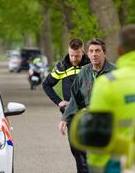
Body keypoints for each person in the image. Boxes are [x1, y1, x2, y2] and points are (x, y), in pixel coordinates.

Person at [86, 24, 135, 173]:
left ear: (119, 50)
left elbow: (97, 136)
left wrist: (96, 167)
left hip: (117, 166)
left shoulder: (107, 84)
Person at [59, 39, 117, 172]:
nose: (94, 54)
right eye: (91, 51)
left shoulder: (114, 72)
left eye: (97, 51)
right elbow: (75, 98)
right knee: (85, 161)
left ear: (104, 53)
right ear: (88, 54)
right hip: (89, 124)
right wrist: (65, 118)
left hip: (108, 125)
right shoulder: (84, 72)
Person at [42, 38, 90, 173]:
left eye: (77, 55)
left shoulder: (90, 65)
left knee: (86, 149)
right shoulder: (62, 66)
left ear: (83, 52)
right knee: (76, 149)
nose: (74, 58)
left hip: (88, 112)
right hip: (70, 112)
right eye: (72, 55)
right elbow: (46, 84)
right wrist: (59, 101)